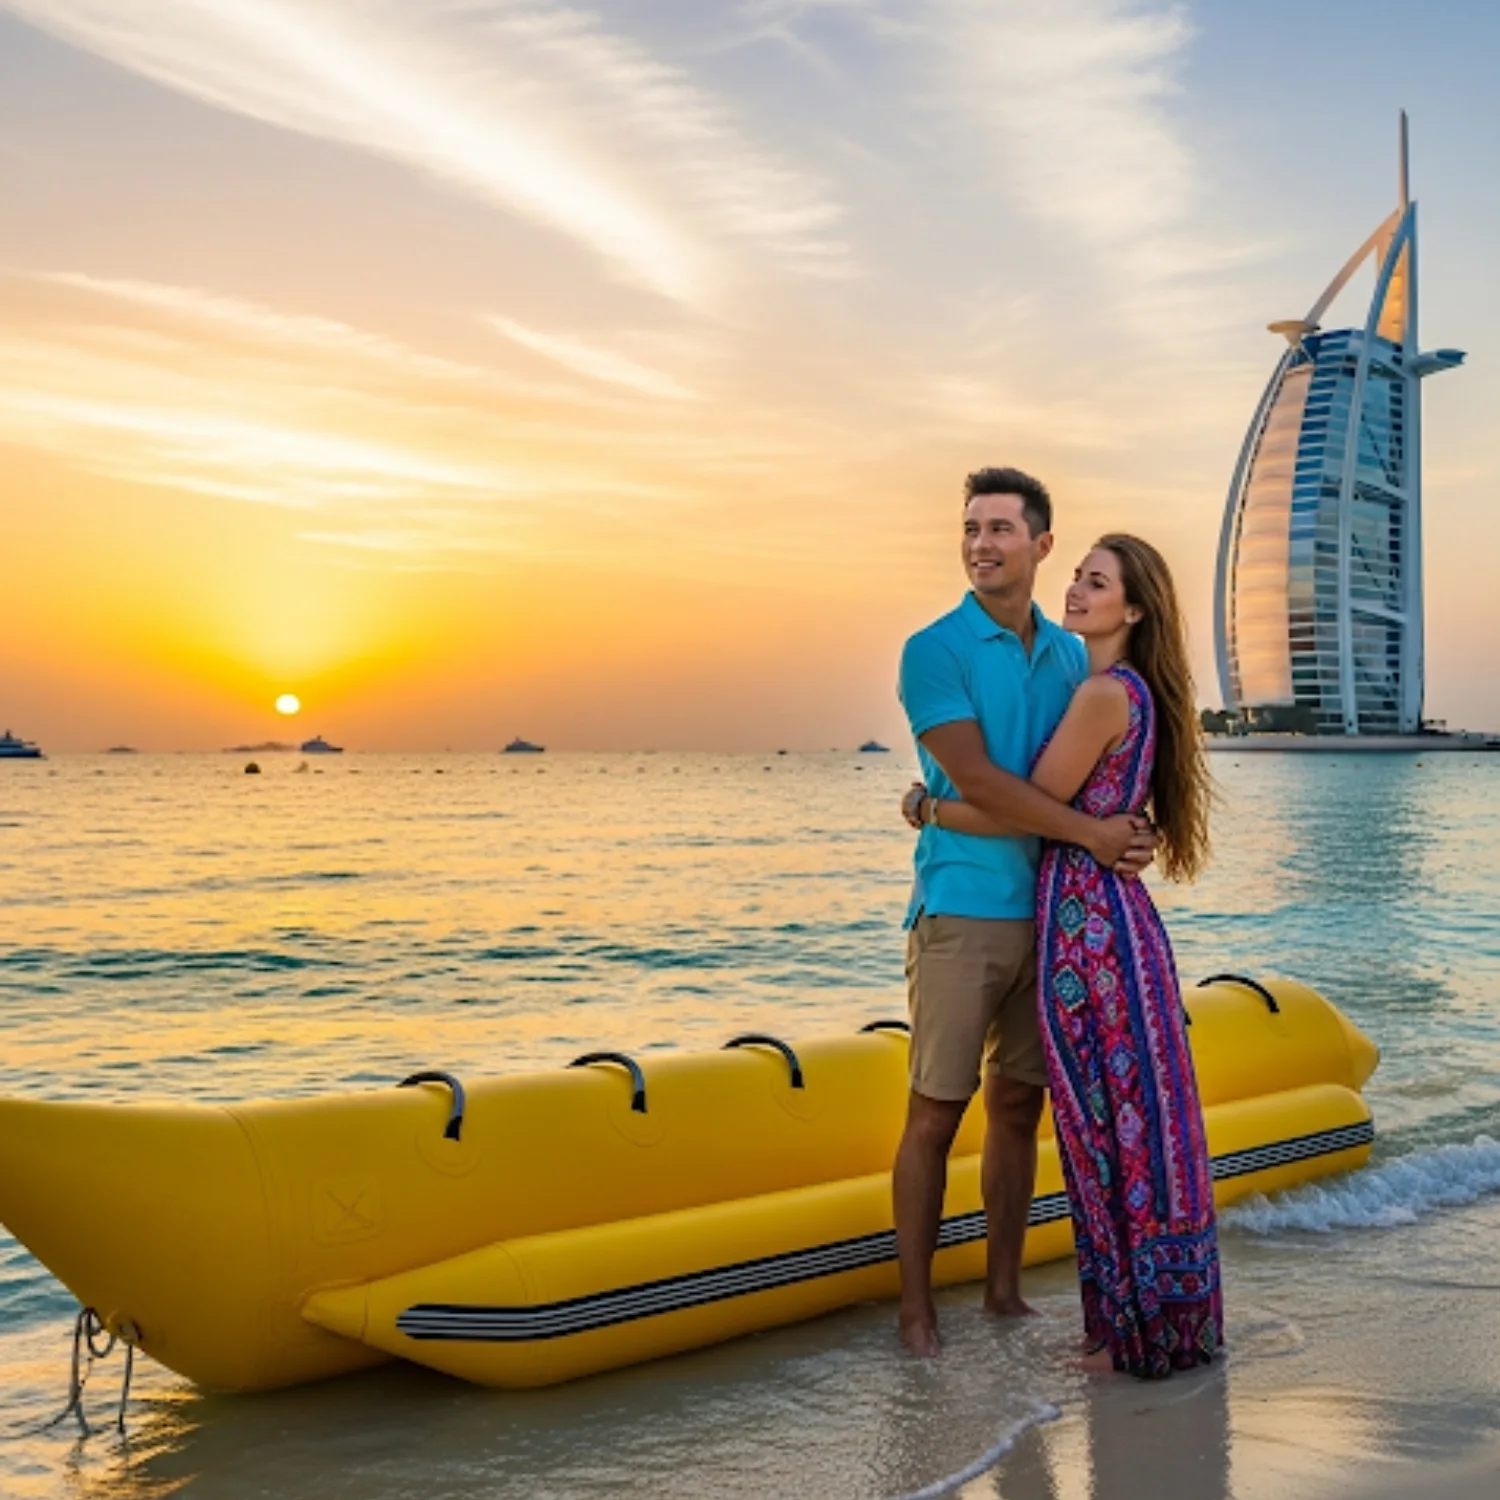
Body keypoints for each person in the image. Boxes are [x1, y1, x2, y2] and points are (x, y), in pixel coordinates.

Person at [907, 533, 1223, 1378]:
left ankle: (1124, 1337)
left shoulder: (1097, 696)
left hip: (1088, 930)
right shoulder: (1134, 692)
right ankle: (1150, 1321)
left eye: (1096, 583)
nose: (1076, 592)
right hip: (1115, 923)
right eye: (1077, 577)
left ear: (1134, 608)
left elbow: (1024, 809)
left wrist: (927, 806)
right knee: (1130, 1125)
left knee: (1103, 1131)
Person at [893, 468, 1155, 1358]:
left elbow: (1100, 766)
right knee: (936, 1112)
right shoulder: (933, 650)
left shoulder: (1072, 654)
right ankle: (917, 1312)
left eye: (1001, 529)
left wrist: (1130, 829)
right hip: (963, 908)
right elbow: (980, 782)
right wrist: (1095, 833)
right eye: (971, 527)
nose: (981, 544)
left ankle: (1003, 1294)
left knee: (1017, 1109)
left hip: (1055, 919)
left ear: (1041, 545)